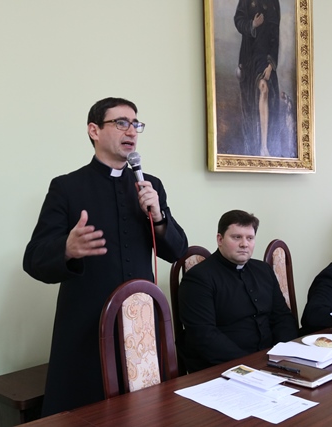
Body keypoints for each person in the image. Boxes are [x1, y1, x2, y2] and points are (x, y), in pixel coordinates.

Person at [23, 97, 188, 416]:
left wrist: (158, 216)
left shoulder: (150, 186)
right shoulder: (67, 188)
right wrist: (67, 249)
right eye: (121, 122)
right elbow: (33, 260)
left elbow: (178, 250)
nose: (132, 131)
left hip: (141, 328)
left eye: (136, 124)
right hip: (85, 327)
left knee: (146, 414)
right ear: (94, 130)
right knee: (87, 414)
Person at [178, 210, 297, 373]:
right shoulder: (198, 278)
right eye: (237, 237)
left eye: (250, 238)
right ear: (220, 239)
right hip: (224, 368)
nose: (244, 244)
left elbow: (282, 317)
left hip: (272, 362)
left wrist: (282, 352)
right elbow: (204, 335)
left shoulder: (263, 270)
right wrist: (251, 364)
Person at [234, 0, 282, 157]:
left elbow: (275, 34)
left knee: (264, 89)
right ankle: (258, 146)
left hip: (265, 57)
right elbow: (238, 20)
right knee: (251, 103)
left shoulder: (274, 2)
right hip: (249, 57)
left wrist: (271, 64)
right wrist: (253, 24)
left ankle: (264, 146)